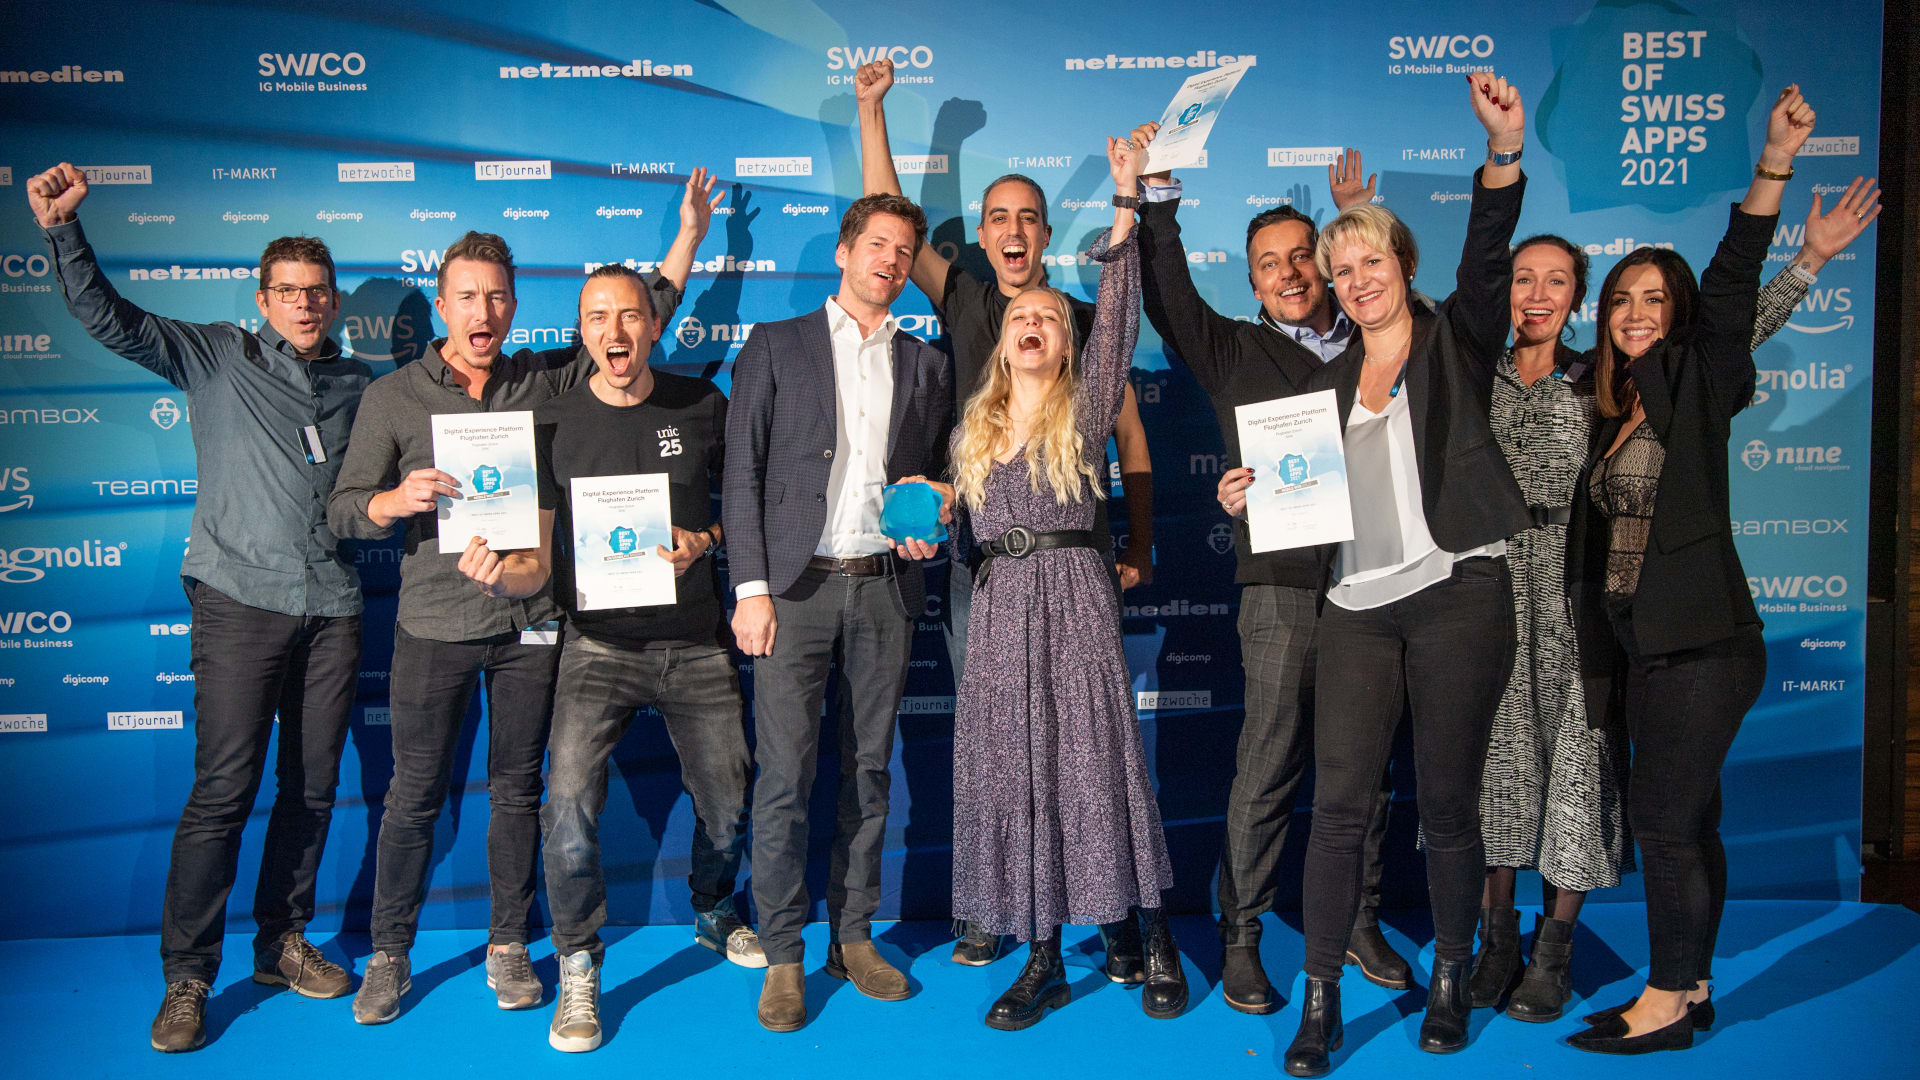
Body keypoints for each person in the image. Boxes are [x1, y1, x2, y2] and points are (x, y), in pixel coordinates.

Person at [1466, 175, 1881, 1024]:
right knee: (1503, 778)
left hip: (1592, 610)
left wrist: (1806, 261)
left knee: (1590, 780)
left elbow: (1721, 336)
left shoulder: (1606, 383)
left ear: (1578, 299)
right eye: (1522, 278)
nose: (1536, 293)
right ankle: (1499, 942)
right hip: (1500, 600)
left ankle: (1561, 955)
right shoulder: (1473, 379)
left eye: (1557, 280)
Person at [327, 173, 718, 1024]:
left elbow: (638, 317)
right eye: (467, 297)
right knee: (414, 795)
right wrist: (399, 501)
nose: (484, 313)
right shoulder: (394, 397)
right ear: (441, 304)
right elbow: (346, 508)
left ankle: (510, 946)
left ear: (513, 307)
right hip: (433, 624)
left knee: (516, 794)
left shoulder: (540, 380)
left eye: (498, 299)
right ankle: (389, 954)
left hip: (531, 624)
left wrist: (688, 235)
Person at [1225, 73, 1532, 1075]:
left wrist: (1501, 153)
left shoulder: (1459, 339)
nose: (1353, 276)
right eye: (1338, 265)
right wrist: (1246, 499)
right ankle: (1319, 1000)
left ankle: (1450, 975)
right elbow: (1294, 497)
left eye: (1368, 260)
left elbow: (1489, 259)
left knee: (1446, 803)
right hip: (1355, 604)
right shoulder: (1316, 381)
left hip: (1457, 591)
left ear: (1402, 265)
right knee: (1340, 806)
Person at [25, 163, 371, 1054]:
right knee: (222, 790)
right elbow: (111, 317)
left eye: (318, 293)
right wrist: (64, 232)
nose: (305, 305)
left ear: (333, 304)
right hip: (238, 601)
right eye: (289, 291)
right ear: (262, 297)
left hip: (331, 606)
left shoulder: (360, 385)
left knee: (313, 789)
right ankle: (188, 978)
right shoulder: (216, 352)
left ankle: (282, 944)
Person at [853, 52, 1159, 977]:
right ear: (982, 238)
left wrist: (1138, 540)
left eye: (1030, 215)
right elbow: (891, 221)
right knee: (996, 744)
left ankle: (1103, 908)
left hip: (1070, 561)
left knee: (1077, 746)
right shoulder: (968, 299)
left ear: (1046, 232)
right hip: (980, 556)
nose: (1015, 228)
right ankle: (995, 906)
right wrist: (877, 114)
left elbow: (1132, 439)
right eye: (999, 216)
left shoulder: (1074, 319)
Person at [1564, 86, 1826, 1055]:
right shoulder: (1613, 405)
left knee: (1667, 828)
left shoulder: (1698, 382)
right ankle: (1698, 985)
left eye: (1653, 298)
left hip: (1705, 648)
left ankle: (1667, 999)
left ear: (1676, 314)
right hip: (1648, 650)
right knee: (1690, 824)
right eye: (1621, 299)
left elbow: (1731, 282)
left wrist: (1773, 167)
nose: (1635, 312)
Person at [1127, 126, 1411, 1013]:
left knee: (1365, 764)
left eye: (1301, 259)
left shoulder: (1381, 341)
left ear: (1326, 267)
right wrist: (1158, 204)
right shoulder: (1234, 352)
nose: (1288, 275)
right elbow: (1169, 300)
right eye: (1267, 265)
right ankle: (1241, 931)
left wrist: (1357, 220)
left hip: (1380, 578)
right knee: (1270, 759)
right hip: (1283, 586)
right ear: (1250, 282)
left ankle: (1357, 919)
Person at [451, 257, 756, 1053]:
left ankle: (714, 906)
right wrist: (498, 576)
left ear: (653, 325)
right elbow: (534, 560)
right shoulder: (550, 423)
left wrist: (709, 539)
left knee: (728, 801)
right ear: (581, 334)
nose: (614, 332)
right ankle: (579, 961)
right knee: (569, 811)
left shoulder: (701, 403)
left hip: (694, 643)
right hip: (595, 647)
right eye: (597, 319)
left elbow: (750, 510)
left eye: (628, 316)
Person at [947, 132, 1185, 1030]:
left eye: (1048, 316)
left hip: (1076, 596)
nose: (1033, 324)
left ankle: (1152, 934)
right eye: (1019, 321)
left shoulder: (1085, 414)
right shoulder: (977, 434)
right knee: (1020, 773)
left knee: (1101, 765)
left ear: (1064, 336)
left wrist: (1126, 204)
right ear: (1003, 344)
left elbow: (1119, 314)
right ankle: (1042, 952)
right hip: (1002, 606)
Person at [722, 192, 953, 1032]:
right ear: (846, 252)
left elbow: (932, 477)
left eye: (904, 251)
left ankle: (852, 936)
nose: (890, 261)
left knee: (867, 772)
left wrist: (936, 516)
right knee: (784, 779)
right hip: (793, 590)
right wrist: (749, 590)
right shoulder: (776, 346)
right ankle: (784, 952)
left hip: (884, 588)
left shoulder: (925, 361)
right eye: (877, 245)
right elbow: (740, 476)